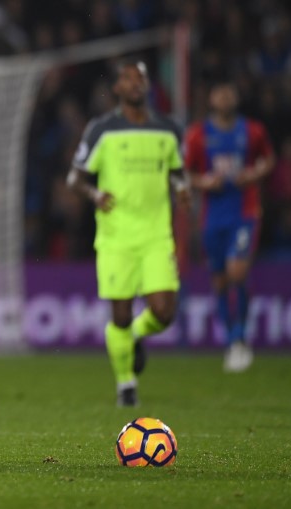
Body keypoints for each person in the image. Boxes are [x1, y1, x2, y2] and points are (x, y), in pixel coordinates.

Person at [66, 60, 190, 407]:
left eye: (141, 78)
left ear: (148, 86)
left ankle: (135, 336)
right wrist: (95, 195)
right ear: (117, 88)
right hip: (116, 236)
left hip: (156, 234)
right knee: (119, 314)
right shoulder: (101, 129)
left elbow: (178, 172)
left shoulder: (169, 129)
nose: (135, 84)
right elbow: (74, 178)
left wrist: (182, 188)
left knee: (164, 313)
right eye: (128, 79)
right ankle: (126, 385)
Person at [184, 82, 275, 372]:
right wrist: (205, 182)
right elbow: (186, 173)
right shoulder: (198, 135)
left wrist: (255, 173)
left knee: (238, 271)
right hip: (212, 217)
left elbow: (268, 159)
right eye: (219, 93)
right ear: (211, 98)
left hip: (244, 211)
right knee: (220, 281)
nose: (224, 98)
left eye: (229, 93)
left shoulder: (253, 131)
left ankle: (240, 337)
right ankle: (232, 341)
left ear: (236, 98)